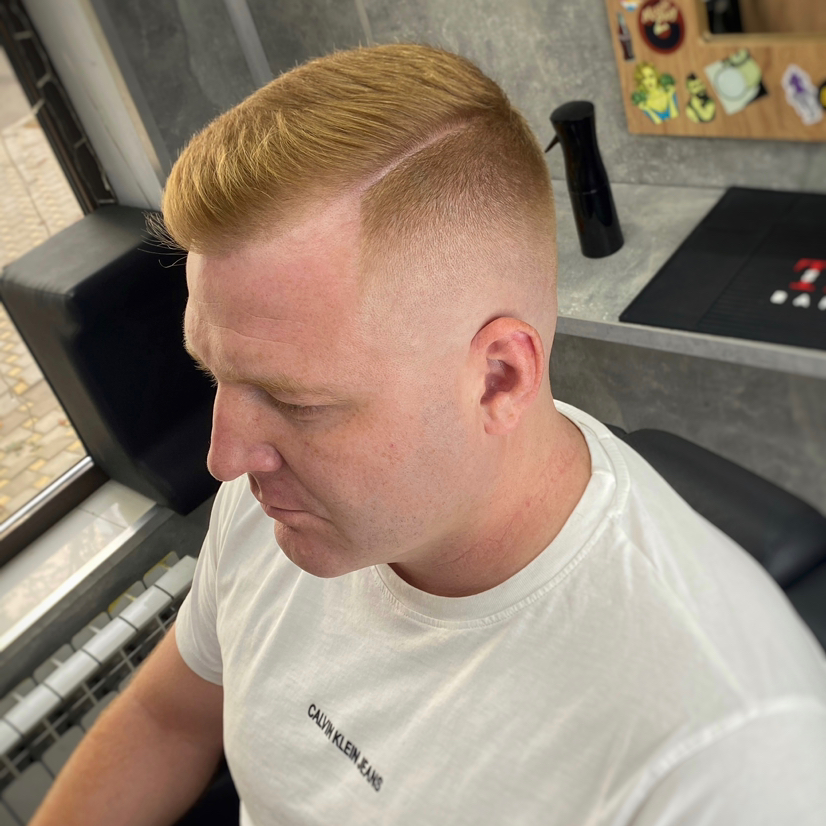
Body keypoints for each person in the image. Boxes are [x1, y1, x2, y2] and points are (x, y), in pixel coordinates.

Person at [32, 43, 826, 826]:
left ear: (498, 379)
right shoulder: (276, 498)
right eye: (216, 375)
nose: (226, 458)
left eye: (297, 404)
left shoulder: (730, 758)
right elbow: (166, 721)